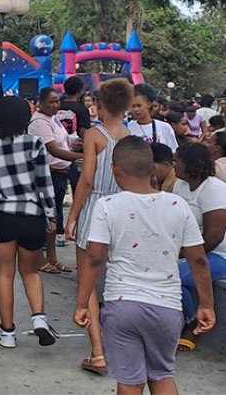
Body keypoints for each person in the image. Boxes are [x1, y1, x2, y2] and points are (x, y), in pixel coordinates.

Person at [74, 136, 215, 395]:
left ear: (114, 169)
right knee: (162, 375)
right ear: (153, 169)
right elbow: (198, 259)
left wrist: (83, 303)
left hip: (122, 304)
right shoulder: (178, 205)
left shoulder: (108, 205)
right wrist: (206, 304)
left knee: (129, 381)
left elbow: (94, 258)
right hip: (168, 307)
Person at [64, 78, 134, 374]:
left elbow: (88, 178)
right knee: (120, 280)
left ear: (100, 104)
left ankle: (98, 351)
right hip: (124, 209)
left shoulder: (95, 135)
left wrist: (72, 215)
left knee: (88, 282)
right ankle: (123, 347)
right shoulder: (130, 136)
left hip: (96, 209)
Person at [0, 96, 59, 349]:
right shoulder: (34, 143)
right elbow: (43, 182)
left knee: (5, 273)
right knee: (31, 271)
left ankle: (7, 332)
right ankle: (39, 318)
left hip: (4, 213)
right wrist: (50, 214)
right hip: (31, 214)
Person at [171, 143, 226, 351]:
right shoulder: (180, 185)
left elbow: (213, 237)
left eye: (178, 161)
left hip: (219, 254)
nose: (174, 165)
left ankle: (192, 322)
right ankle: (186, 318)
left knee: (172, 274)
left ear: (192, 165)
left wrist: (182, 255)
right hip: (191, 251)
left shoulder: (215, 189)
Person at [28, 87, 82, 273]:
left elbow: (63, 143)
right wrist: (83, 155)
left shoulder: (54, 119)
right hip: (48, 174)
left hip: (61, 172)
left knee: (54, 216)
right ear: (40, 103)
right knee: (46, 217)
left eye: (57, 101)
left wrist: (76, 147)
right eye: (51, 102)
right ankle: (41, 258)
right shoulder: (39, 123)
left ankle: (53, 257)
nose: (55, 105)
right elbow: (53, 149)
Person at [128, 84, 178, 152]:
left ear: (149, 104)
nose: (136, 109)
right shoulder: (128, 127)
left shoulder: (164, 127)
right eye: (133, 106)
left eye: (139, 105)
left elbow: (173, 150)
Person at [56, 76, 91, 141]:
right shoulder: (82, 109)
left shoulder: (56, 106)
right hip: (74, 147)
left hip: (55, 143)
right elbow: (83, 133)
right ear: (79, 91)